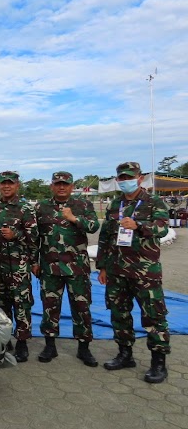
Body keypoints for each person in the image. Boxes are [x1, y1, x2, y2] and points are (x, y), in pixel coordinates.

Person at [97, 162, 170, 384]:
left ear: (139, 178)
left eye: (129, 177)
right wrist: (102, 266)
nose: (125, 181)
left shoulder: (153, 201)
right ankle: (125, 354)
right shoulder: (114, 205)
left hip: (144, 271)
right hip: (117, 270)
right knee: (119, 313)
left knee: (154, 316)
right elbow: (105, 237)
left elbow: (163, 228)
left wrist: (138, 225)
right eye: (121, 178)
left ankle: (158, 362)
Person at [33, 171, 100, 366]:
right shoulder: (41, 207)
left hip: (77, 268)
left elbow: (94, 226)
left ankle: (84, 348)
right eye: (58, 184)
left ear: (72, 186)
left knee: (81, 307)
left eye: (65, 184)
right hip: (50, 267)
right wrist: (34, 261)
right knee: (49, 307)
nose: (61, 187)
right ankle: (50, 345)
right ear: (52, 186)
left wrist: (74, 218)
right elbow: (34, 236)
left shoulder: (83, 205)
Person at [0, 171, 38, 363]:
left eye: (10, 183)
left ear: (17, 185)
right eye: (3, 183)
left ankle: (23, 342)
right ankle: (4, 339)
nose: (6, 186)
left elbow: (35, 237)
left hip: (19, 266)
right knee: (0, 303)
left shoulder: (25, 208)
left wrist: (16, 234)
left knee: (22, 304)